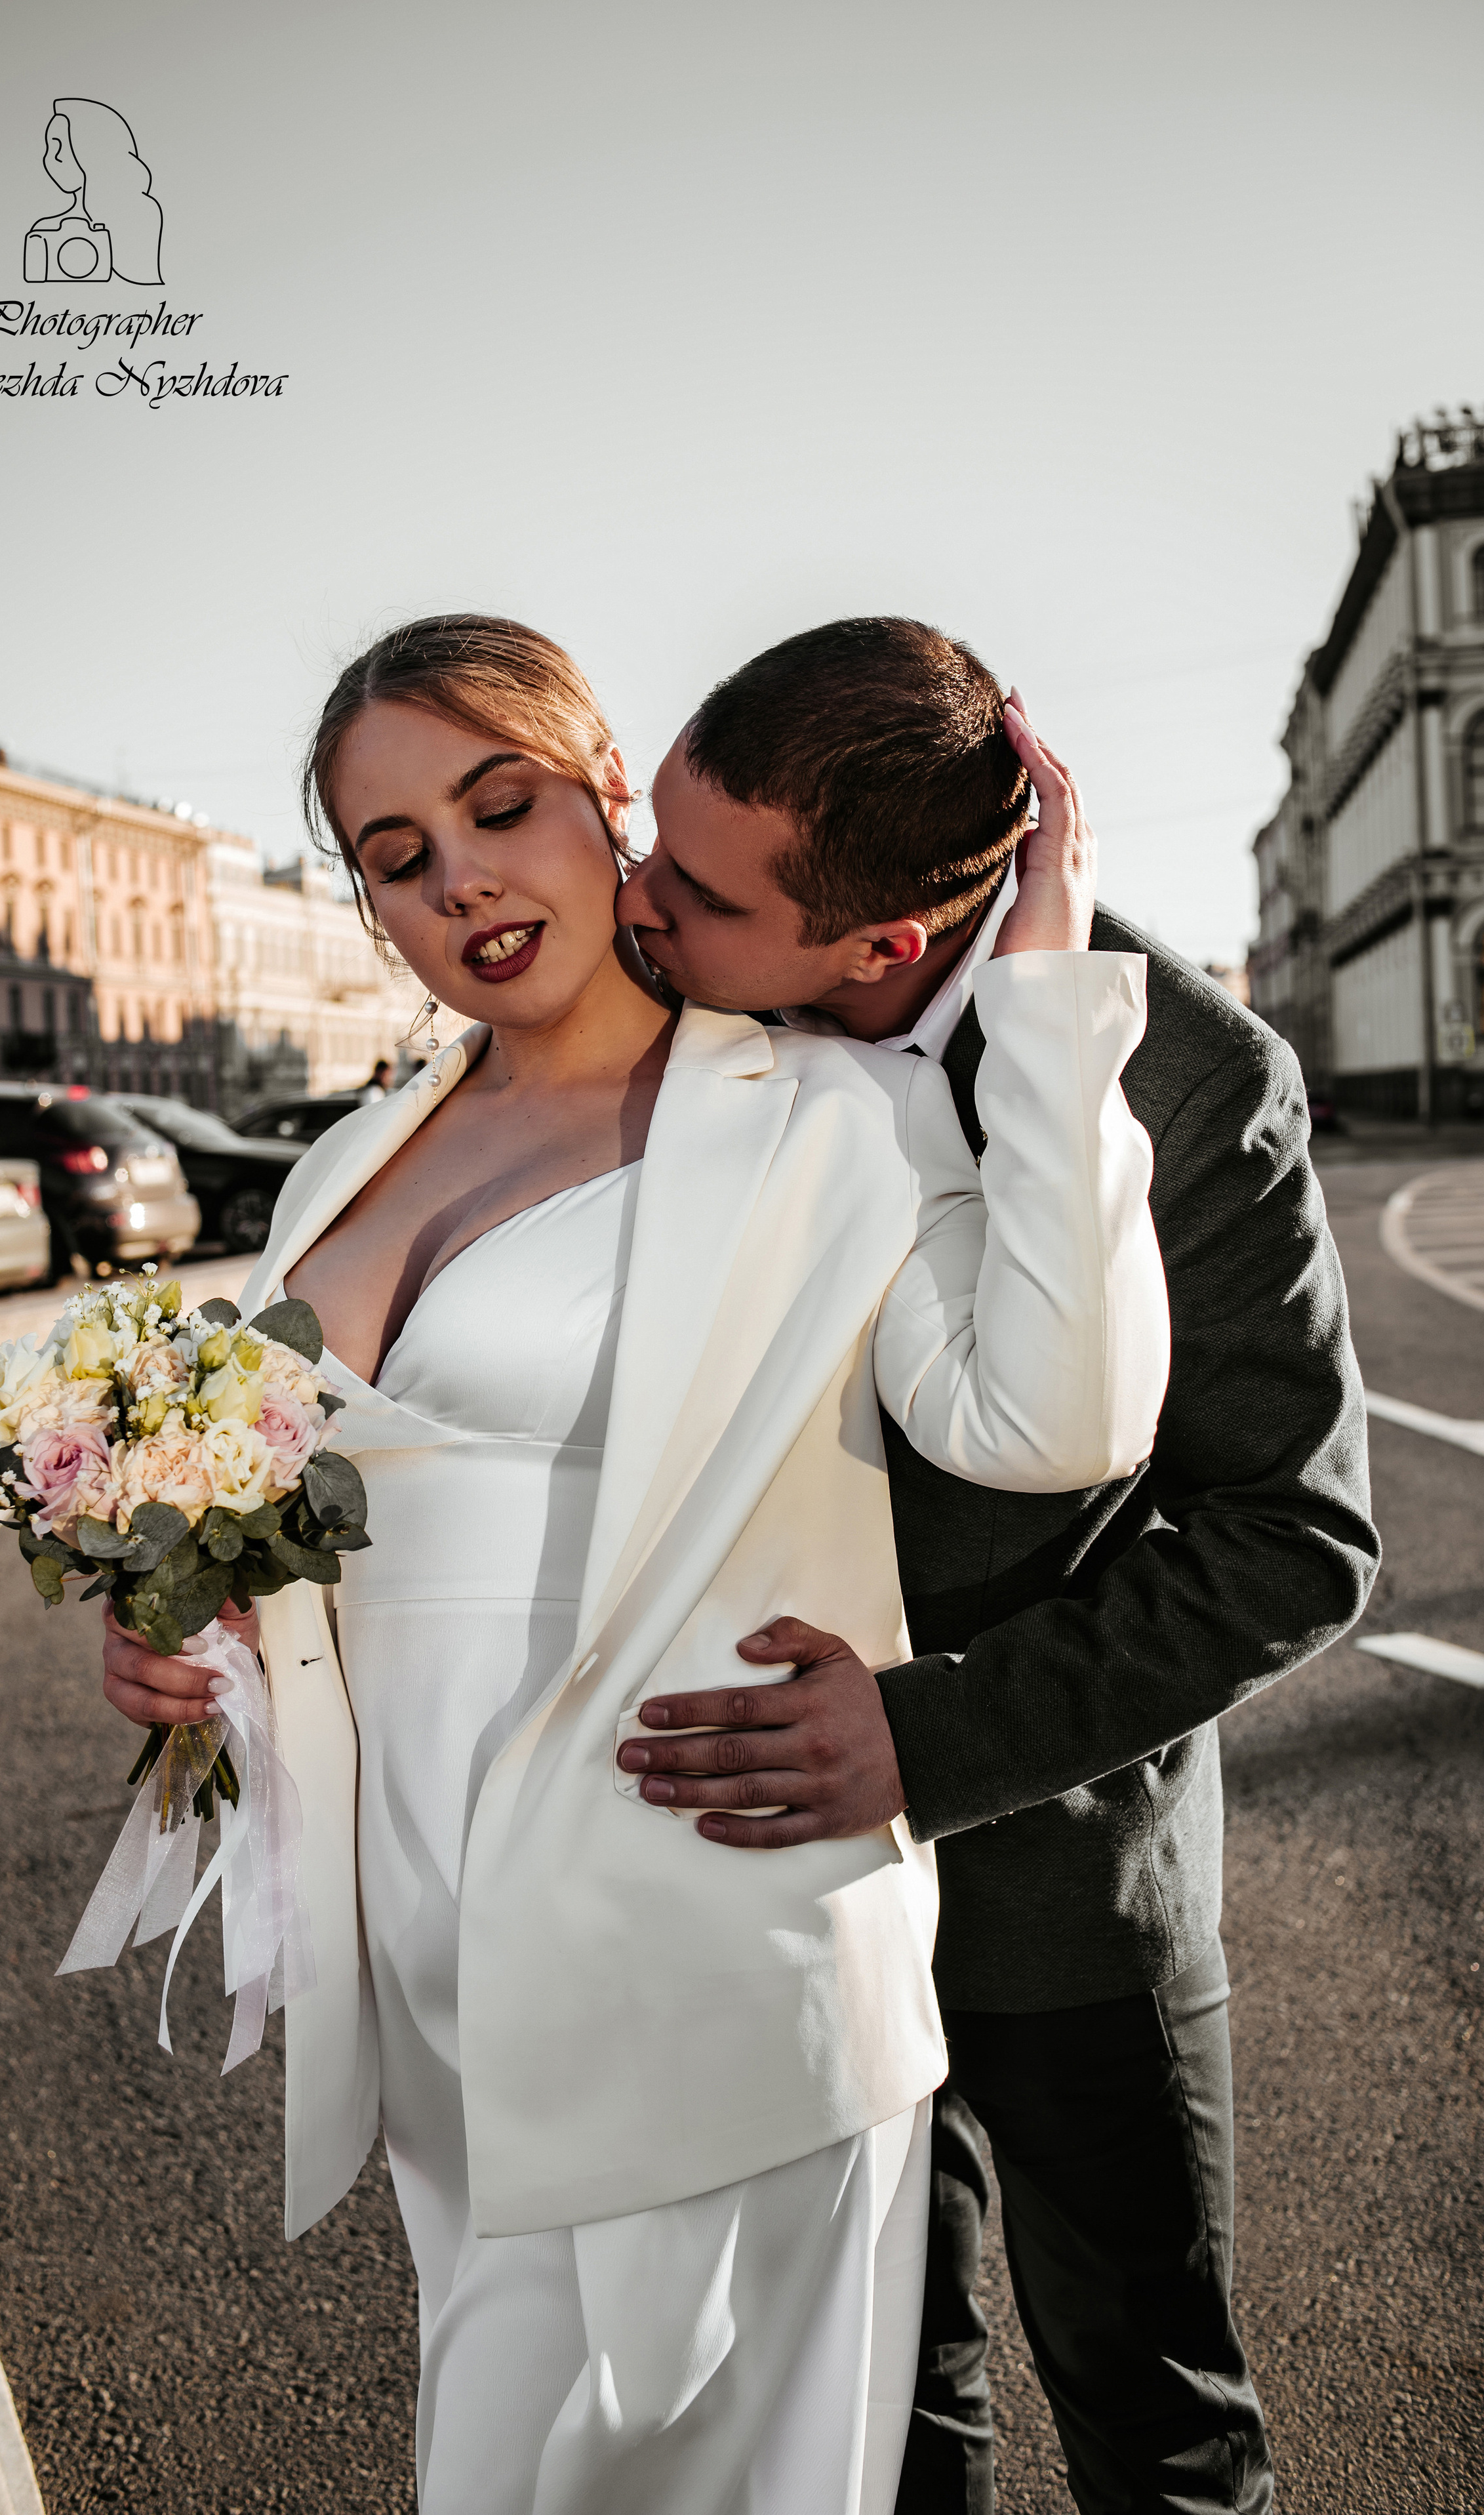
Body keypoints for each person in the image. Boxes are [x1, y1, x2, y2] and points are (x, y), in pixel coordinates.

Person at [100, 615, 1169, 2514]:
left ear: (609, 798)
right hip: (431, 1964)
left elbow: (1052, 1422)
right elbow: (280, 1527)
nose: (465, 881)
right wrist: (179, 1639)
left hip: (711, 1945)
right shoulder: (345, 1161)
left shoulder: (825, 1120)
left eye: (500, 805)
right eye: (398, 856)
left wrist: (1048, 1002)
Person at [612, 616, 1379, 2515]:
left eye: (696, 892)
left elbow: (1297, 1536)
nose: (639, 905)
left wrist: (928, 1740)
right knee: (881, 2411)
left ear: (881, 945)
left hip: (1065, 1898)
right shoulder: (679, 1021)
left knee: (1157, 2415)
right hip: (770, 1899)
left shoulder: (1197, 1081)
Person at [26, 98, 164, 285]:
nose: (52, 156)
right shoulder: (45, 231)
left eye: (55, 145)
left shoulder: (46, 229)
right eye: (50, 146)